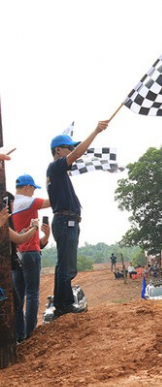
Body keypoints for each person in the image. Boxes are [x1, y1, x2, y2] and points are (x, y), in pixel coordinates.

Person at [47, 120, 109, 317]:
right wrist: (96, 131)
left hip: (66, 222)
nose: (71, 151)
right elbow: (77, 154)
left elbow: (75, 155)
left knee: (63, 265)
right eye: (68, 148)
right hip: (66, 222)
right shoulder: (55, 167)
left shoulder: (58, 173)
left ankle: (61, 303)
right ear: (58, 150)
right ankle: (64, 305)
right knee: (66, 266)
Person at [12, 174, 51, 341]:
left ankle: (20, 335)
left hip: (17, 255)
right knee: (33, 294)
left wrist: (46, 236)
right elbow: (52, 201)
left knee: (18, 298)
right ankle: (30, 334)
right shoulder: (27, 201)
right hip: (30, 254)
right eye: (33, 189)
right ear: (27, 187)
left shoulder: (11, 204)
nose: (33, 193)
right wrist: (54, 182)